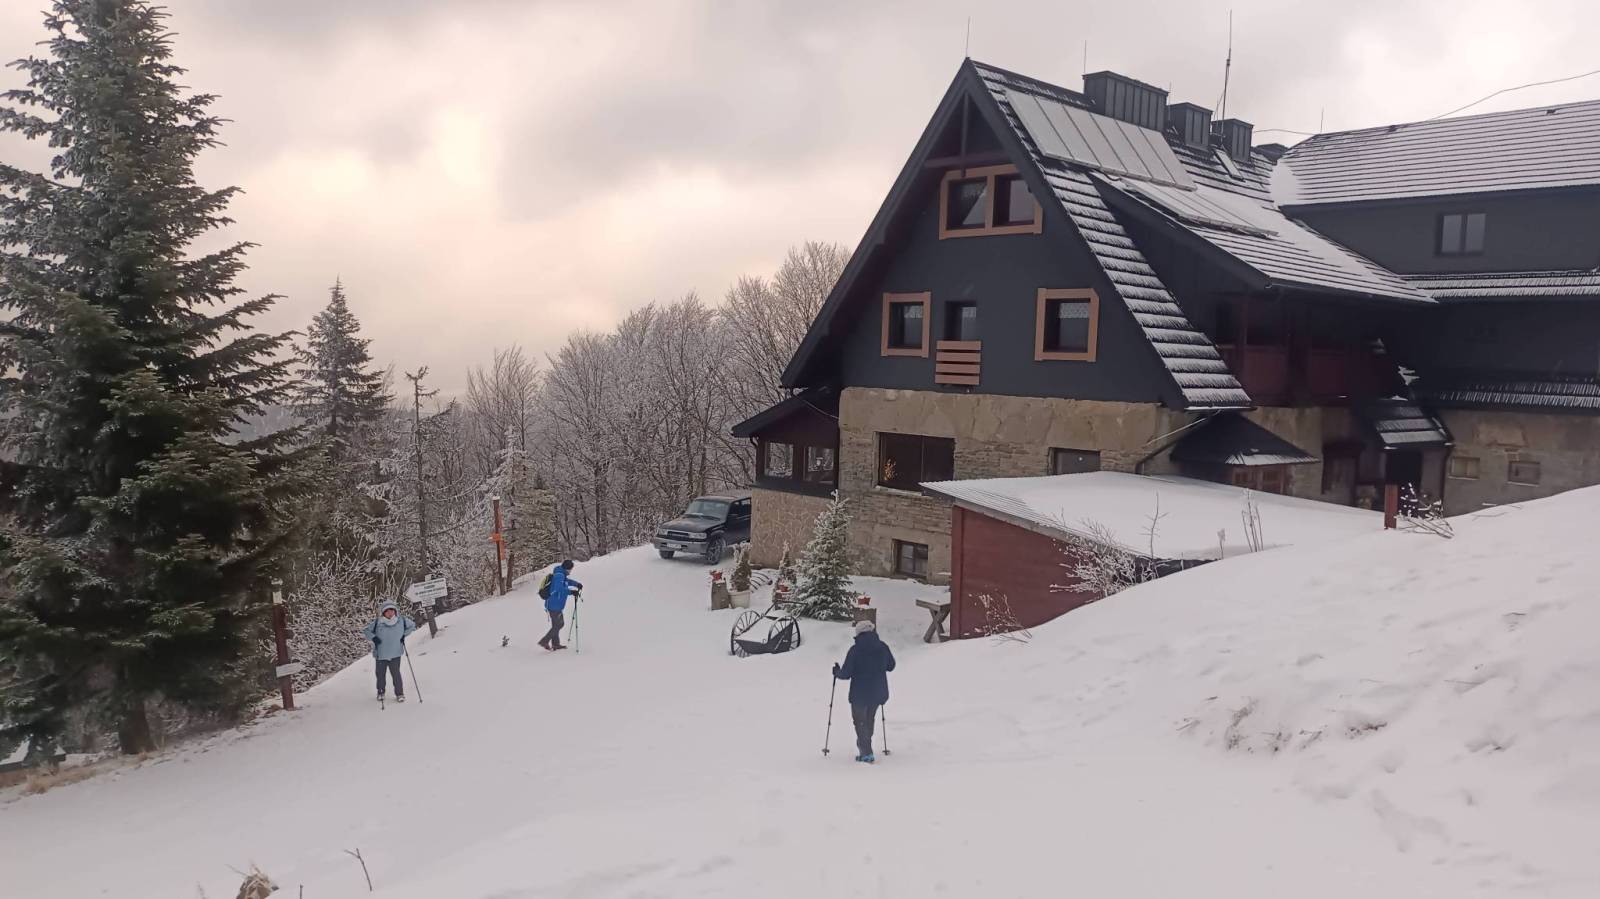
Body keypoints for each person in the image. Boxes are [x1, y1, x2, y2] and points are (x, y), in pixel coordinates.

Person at [833, 619, 896, 763]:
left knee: (860, 721)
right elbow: (891, 666)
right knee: (869, 719)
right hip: (878, 691)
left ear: (858, 633)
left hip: (859, 694)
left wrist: (836, 672)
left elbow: (846, 674)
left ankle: (866, 752)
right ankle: (865, 748)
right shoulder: (883, 647)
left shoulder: (855, 650)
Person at [362, 600, 417, 703]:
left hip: (395, 653)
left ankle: (400, 694)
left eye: (392, 610)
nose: (390, 612)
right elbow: (366, 630)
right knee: (380, 675)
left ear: (395, 611)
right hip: (381, 654)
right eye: (387, 611)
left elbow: (412, 625)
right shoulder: (378, 622)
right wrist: (373, 638)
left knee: (396, 675)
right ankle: (381, 692)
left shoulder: (401, 620)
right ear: (383, 612)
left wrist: (404, 635)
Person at [538, 560, 583, 651]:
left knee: (556, 625)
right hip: (554, 605)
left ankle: (555, 644)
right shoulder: (559, 576)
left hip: (556, 605)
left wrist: (576, 584)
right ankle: (544, 641)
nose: (571, 570)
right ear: (567, 568)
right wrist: (571, 592)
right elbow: (559, 589)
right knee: (559, 624)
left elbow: (567, 581)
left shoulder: (561, 574)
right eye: (571, 569)